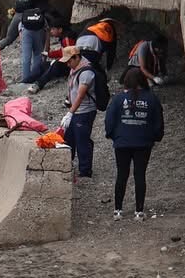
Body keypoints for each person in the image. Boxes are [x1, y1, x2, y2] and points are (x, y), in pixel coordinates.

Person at [103, 67, 165, 220]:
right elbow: (158, 122)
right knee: (140, 175)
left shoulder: (118, 99)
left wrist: (113, 136)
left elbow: (109, 120)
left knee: (122, 174)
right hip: (143, 142)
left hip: (122, 142)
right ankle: (139, 211)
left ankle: (118, 210)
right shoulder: (151, 99)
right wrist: (154, 137)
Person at [62, 45, 100, 178]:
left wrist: (70, 113)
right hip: (75, 110)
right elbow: (73, 89)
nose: (68, 64)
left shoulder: (86, 72)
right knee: (69, 138)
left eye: (69, 61)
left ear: (77, 57)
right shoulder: (75, 69)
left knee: (82, 140)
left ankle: (85, 171)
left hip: (84, 111)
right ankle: (67, 164)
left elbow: (81, 95)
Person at [1, 0, 50, 82]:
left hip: (26, 32)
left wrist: (22, 41)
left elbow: (20, 30)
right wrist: (46, 49)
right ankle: (35, 77)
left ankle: (26, 80)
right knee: (38, 55)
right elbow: (47, 30)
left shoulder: (22, 15)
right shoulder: (40, 14)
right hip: (39, 32)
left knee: (26, 58)